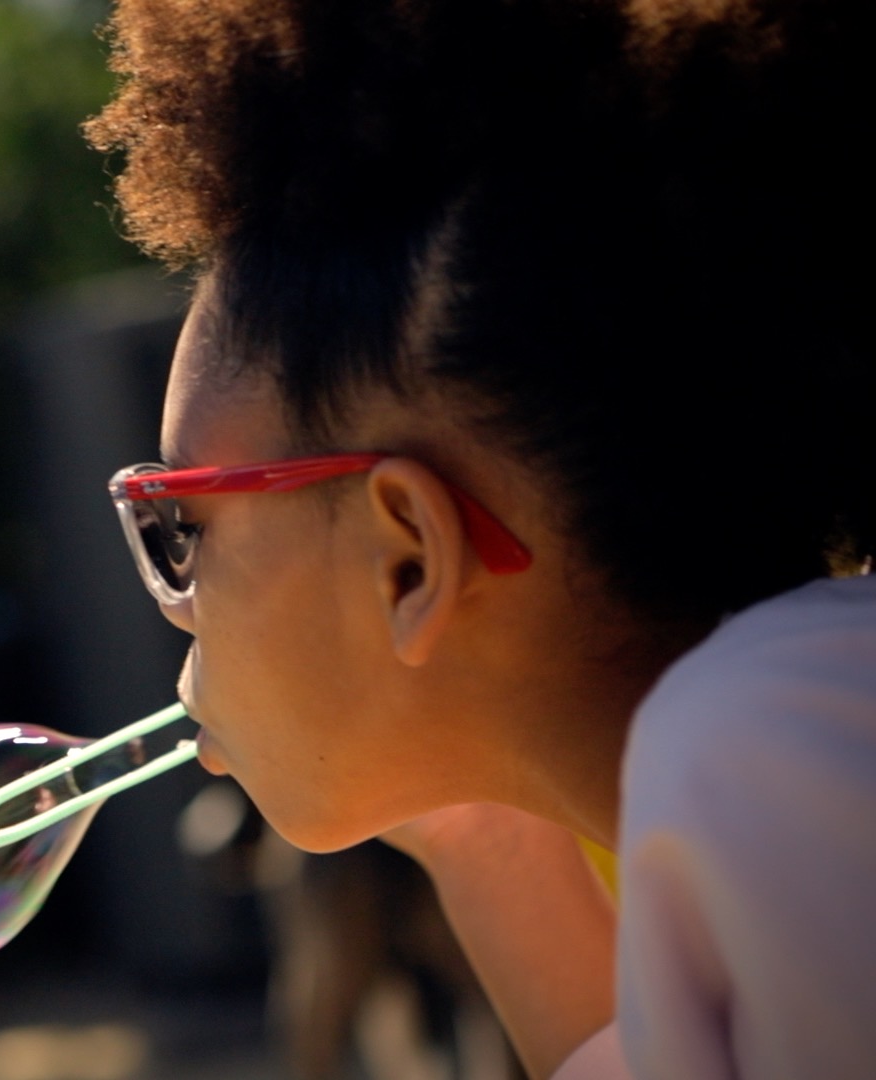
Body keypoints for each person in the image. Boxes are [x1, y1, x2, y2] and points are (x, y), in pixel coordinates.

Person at [80, 1, 872, 1077]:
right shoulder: (765, 742)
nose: (173, 599)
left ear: (406, 554)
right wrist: (474, 833)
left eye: (183, 522)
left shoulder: (771, 740)